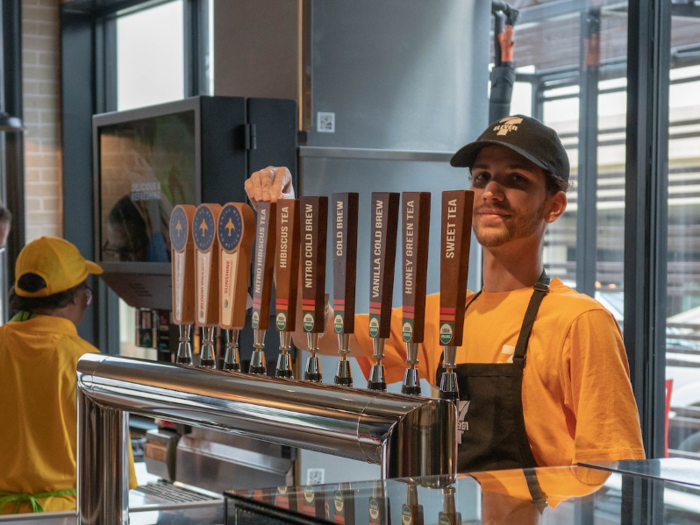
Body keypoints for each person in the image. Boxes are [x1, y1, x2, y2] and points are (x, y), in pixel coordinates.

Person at [244, 115, 644, 479]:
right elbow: (312, 334)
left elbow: (612, 475)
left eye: (516, 179)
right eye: (481, 177)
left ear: (554, 206)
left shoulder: (580, 321)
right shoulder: (439, 315)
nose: (492, 191)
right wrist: (289, 221)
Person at [0, 237, 137, 514]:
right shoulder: (89, 364)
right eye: (86, 295)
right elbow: (116, 474)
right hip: (69, 515)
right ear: (74, 298)